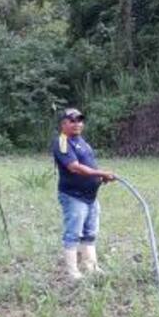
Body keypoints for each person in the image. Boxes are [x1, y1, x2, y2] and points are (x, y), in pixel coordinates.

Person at [51, 107, 116, 280]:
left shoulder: (81, 141)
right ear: (63, 124)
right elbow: (74, 167)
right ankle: (73, 272)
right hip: (73, 196)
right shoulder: (62, 142)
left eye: (79, 120)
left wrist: (100, 178)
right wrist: (101, 173)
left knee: (90, 233)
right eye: (72, 121)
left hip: (90, 197)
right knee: (73, 233)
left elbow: (89, 165)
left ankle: (91, 267)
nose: (77, 124)